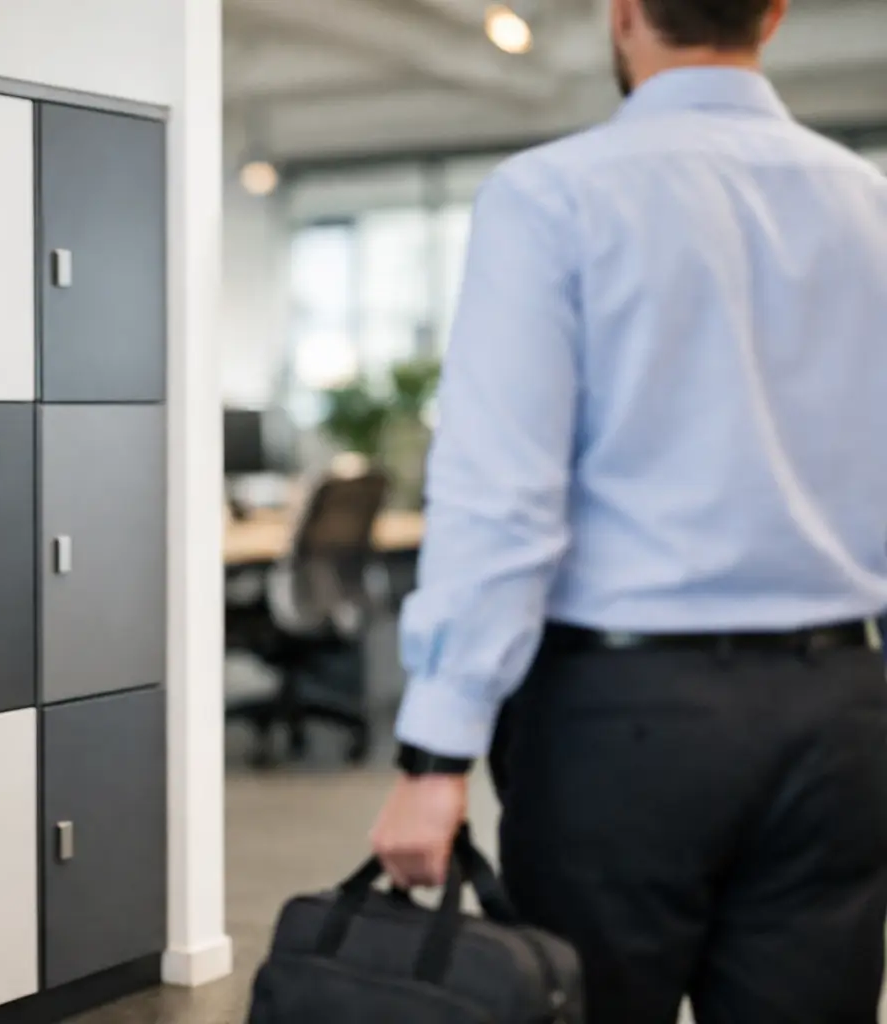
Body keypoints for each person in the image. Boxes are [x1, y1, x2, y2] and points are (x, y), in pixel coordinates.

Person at [368, 0, 887, 1020]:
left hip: (620, 719)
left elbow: (501, 498)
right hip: (841, 712)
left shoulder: (551, 196)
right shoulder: (869, 203)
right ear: (775, 15)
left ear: (622, 14)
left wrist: (437, 752)